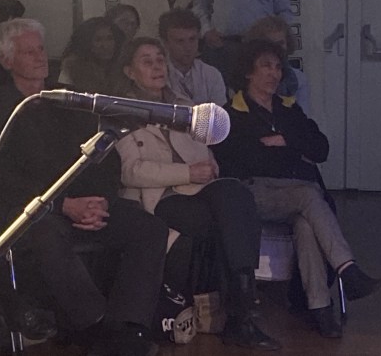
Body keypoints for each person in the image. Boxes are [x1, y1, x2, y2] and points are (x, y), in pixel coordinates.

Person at [0, 18, 168, 356]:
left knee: (148, 228)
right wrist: (64, 204)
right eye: (29, 52)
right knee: (45, 232)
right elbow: (1, 180)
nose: (40, 57)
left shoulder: (67, 100)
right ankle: (95, 326)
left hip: (85, 202)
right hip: (35, 210)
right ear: (7, 60)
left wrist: (99, 201)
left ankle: (128, 326)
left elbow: (104, 154)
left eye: (41, 49)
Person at [114, 37, 279, 351]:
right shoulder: (120, 111)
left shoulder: (185, 106)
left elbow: (207, 152)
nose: (157, 66)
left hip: (200, 190)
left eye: (160, 59)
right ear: (129, 71)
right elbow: (131, 171)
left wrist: (208, 168)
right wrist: (187, 173)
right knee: (228, 222)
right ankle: (241, 315)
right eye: (147, 61)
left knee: (236, 194)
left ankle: (241, 313)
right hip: (159, 197)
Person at [212, 40, 378, 339]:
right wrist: (292, 151)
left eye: (278, 67)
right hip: (254, 193)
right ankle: (347, 269)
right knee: (309, 196)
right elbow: (241, 160)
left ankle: (319, 307)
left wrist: (285, 141)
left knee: (305, 223)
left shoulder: (289, 109)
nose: (273, 73)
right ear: (249, 72)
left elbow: (321, 148)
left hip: (295, 194)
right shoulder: (232, 113)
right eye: (265, 66)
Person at [158, 8, 228, 106]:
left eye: (192, 39)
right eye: (180, 41)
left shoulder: (212, 75)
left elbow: (220, 113)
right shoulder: (156, 74)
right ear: (165, 43)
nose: (188, 47)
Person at [245, 15, 310, 114]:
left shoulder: (299, 79)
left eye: (280, 43)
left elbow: (304, 115)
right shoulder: (248, 75)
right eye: (270, 43)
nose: (276, 48)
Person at [57, 16, 125, 94]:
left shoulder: (122, 68)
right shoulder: (72, 69)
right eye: (98, 40)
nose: (105, 45)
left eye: (110, 38)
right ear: (87, 43)